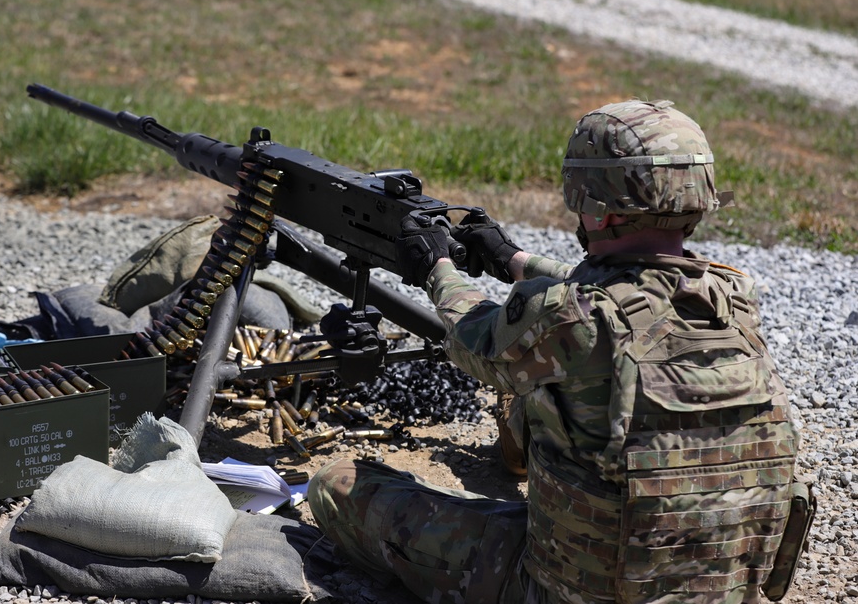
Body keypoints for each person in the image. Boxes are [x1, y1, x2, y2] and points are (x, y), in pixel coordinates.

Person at [307, 100, 812, 603]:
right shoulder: (735, 298)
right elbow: (627, 293)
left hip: (571, 593)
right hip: (719, 590)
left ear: (596, 204)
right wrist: (514, 260)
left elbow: (473, 338)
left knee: (337, 485)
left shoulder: (571, 321)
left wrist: (438, 267)